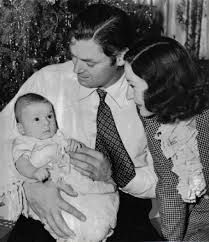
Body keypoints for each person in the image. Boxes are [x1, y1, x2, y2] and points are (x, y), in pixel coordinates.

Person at [0, 3, 160, 242]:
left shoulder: (149, 93)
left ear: (120, 57)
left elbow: (168, 178)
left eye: (89, 63)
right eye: (73, 57)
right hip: (46, 195)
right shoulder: (50, 79)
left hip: (125, 206)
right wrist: (27, 185)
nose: (76, 70)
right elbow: (3, 136)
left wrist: (116, 174)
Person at [124, 36, 209, 241]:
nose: (128, 95)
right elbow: (170, 181)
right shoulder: (152, 113)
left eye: (133, 85)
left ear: (160, 87)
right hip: (199, 217)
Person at [9, 92, 119, 242]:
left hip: (72, 180)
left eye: (49, 116)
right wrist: (34, 172)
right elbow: (21, 164)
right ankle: (73, 235)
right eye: (36, 119)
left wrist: (75, 145)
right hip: (47, 187)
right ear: (21, 128)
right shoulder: (24, 143)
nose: (46, 123)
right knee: (62, 217)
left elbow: (74, 149)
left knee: (93, 200)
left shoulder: (58, 137)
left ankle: (100, 221)